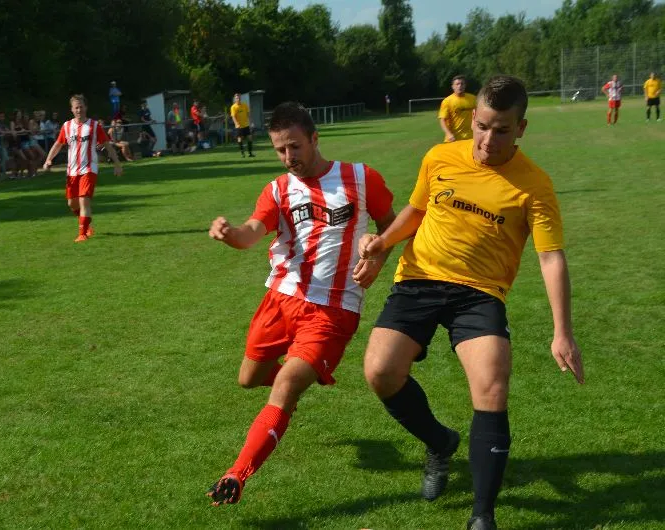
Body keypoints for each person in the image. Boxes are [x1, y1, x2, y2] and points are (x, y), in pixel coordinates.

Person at [357, 75, 584, 530]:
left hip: (480, 293)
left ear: (521, 129)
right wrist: (382, 243)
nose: (487, 140)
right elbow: (418, 210)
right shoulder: (439, 157)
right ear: (473, 117)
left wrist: (562, 332)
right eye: (481, 126)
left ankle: (482, 516)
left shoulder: (535, 185)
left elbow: (551, 257)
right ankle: (440, 442)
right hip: (420, 279)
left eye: (501, 130)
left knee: (492, 386)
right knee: (380, 372)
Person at [205, 101, 396, 506]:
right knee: (249, 378)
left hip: (333, 310)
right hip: (280, 299)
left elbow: (391, 225)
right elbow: (251, 232)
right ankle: (300, 379)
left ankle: (236, 473)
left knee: (285, 386)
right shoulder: (278, 189)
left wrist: (377, 257)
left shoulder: (361, 178)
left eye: (295, 146)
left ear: (314, 138)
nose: (288, 156)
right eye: (280, 149)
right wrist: (229, 234)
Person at [43, 94, 122, 243]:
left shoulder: (94, 126)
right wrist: (48, 159)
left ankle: (82, 233)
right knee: (72, 203)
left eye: (81, 107)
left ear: (86, 107)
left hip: (88, 169)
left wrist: (117, 164)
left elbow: (107, 145)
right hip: (72, 171)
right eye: (76, 107)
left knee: (83, 200)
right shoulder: (67, 126)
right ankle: (87, 225)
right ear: (72, 109)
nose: (79, 110)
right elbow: (58, 144)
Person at [438, 75, 477, 142]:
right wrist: (448, 134)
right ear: (453, 87)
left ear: (465, 85)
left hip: (470, 138)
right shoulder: (447, 101)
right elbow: (442, 120)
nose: (460, 86)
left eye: (462, 84)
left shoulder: (473, 98)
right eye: (457, 84)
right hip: (454, 139)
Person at [230, 93, 254, 158]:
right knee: (240, 139)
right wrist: (236, 123)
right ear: (235, 99)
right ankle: (242, 153)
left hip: (246, 125)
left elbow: (248, 114)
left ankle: (250, 153)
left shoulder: (245, 105)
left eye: (239, 98)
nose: (238, 99)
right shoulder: (233, 107)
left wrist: (251, 122)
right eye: (237, 98)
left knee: (250, 138)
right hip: (239, 126)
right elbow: (233, 116)